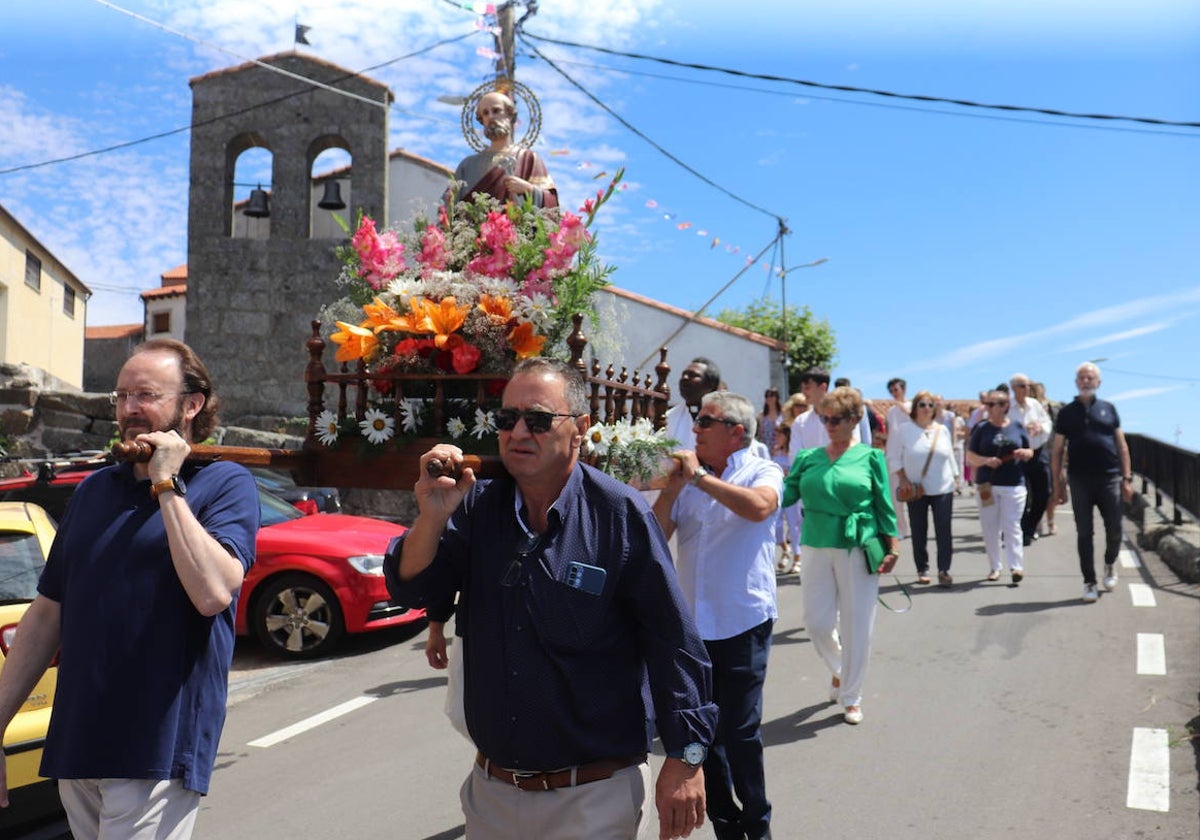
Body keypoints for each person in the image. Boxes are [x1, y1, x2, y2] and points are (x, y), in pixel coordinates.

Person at [384, 357, 718, 840]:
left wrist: (687, 760)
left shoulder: (619, 514)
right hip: (492, 795)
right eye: (506, 419)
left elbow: (673, 643)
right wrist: (433, 516)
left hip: (594, 800)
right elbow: (412, 587)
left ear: (580, 428)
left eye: (537, 420)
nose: (518, 432)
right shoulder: (476, 506)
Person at [0, 339, 259, 839]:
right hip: (77, 742)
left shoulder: (225, 484)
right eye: (121, 397)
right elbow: (47, 614)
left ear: (191, 404)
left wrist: (167, 486)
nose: (128, 410)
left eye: (145, 395)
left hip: (155, 746)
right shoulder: (97, 489)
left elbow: (213, 594)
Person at [653, 392, 782, 840]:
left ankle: (758, 825)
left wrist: (701, 479)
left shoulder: (762, 469)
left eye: (707, 422)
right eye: (698, 421)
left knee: (740, 731)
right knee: (703, 737)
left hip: (743, 620)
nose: (696, 429)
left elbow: (760, 507)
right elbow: (656, 537)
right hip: (694, 628)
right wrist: (673, 488)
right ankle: (727, 826)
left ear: (736, 432)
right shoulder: (687, 481)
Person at [781, 387, 900, 726]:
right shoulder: (808, 458)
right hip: (816, 541)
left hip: (858, 542)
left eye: (836, 419)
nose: (829, 424)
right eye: (824, 418)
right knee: (816, 622)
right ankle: (840, 669)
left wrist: (892, 545)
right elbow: (785, 496)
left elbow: (884, 505)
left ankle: (852, 695)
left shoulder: (870, 457)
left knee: (856, 623)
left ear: (854, 420)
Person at [1050, 362, 1134, 603]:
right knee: (1084, 532)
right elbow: (1057, 451)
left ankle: (1109, 564)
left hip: (1110, 477)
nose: (1086, 381)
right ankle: (1089, 581)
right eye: (1082, 378)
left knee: (1115, 529)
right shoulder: (1066, 413)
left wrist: (1127, 478)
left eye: (1090, 378)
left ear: (1098, 383)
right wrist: (1058, 484)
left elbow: (1122, 445)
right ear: (1076, 382)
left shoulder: (1109, 409)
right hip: (1080, 480)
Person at [891, 391, 959, 587]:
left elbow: (950, 456)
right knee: (919, 530)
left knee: (944, 530)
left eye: (930, 404)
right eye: (922, 404)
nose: (927, 408)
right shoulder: (904, 430)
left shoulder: (942, 430)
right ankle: (922, 568)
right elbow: (893, 457)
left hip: (943, 486)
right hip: (915, 487)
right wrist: (902, 478)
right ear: (915, 408)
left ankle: (944, 569)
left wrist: (955, 478)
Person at [966, 390, 1034, 584]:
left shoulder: (1017, 426)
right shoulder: (981, 428)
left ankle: (1016, 566)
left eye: (992, 404)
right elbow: (970, 457)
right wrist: (986, 460)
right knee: (990, 528)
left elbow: (1030, 450)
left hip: (1014, 484)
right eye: (988, 404)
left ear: (1004, 406)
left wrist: (1025, 453)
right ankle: (995, 567)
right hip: (988, 485)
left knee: (1012, 525)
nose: (988, 408)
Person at [450, 91, 558, 208]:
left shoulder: (529, 159)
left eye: (496, 110)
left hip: (515, 225)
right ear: (482, 120)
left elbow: (551, 203)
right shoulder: (467, 165)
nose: (491, 116)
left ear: (510, 115)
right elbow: (447, 206)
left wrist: (528, 189)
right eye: (485, 113)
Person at [1009, 373, 1053, 546]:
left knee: (1044, 492)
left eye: (1028, 385)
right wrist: (1021, 430)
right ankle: (1021, 530)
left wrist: (1039, 426)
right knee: (1020, 496)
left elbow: (1047, 423)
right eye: (1022, 386)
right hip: (1017, 455)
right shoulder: (1007, 407)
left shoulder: (1034, 405)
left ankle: (1030, 526)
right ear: (1013, 388)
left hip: (1037, 451)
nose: (1027, 389)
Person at [665, 357, 723, 452]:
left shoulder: (722, 420)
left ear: (710, 385)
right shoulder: (669, 417)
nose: (685, 378)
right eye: (684, 374)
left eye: (693, 375)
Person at [883, 377, 912, 539]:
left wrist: (903, 407)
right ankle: (901, 529)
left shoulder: (913, 406)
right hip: (893, 455)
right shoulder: (890, 412)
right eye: (892, 391)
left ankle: (916, 526)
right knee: (895, 496)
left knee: (913, 494)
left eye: (896, 390)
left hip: (909, 455)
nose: (894, 393)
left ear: (904, 389)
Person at [772, 424, 802, 574]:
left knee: (793, 525)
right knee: (776, 525)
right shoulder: (775, 451)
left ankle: (797, 557)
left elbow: (797, 472)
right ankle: (785, 549)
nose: (777, 438)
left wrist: (787, 472)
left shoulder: (793, 453)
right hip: (778, 491)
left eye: (780, 435)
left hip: (790, 492)